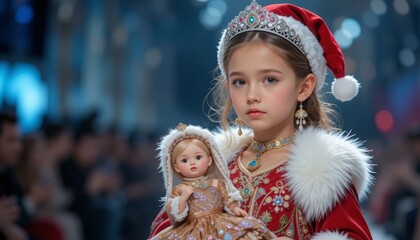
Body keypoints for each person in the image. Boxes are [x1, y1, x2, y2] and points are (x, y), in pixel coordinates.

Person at [150, 1, 374, 239]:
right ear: (228, 87)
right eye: (240, 82)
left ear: (304, 87)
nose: (252, 96)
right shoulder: (213, 163)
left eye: (269, 80)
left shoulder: (324, 175)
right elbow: (166, 228)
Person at [151, 123, 275, 240]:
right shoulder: (179, 189)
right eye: (184, 160)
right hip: (192, 229)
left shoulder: (217, 183)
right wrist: (184, 197)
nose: (192, 163)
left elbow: (227, 199)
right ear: (176, 167)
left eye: (198, 157)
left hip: (220, 223)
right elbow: (175, 216)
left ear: (209, 160)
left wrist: (235, 209)